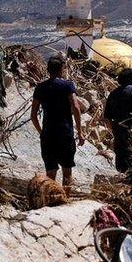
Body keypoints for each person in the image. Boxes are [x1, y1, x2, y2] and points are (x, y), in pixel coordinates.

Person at [31, 55, 85, 191]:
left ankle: (51, 199)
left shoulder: (40, 87)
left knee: (50, 171)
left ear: (48, 70)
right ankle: (65, 200)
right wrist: (80, 132)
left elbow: (33, 115)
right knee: (67, 171)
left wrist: (41, 132)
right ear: (61, 69)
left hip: (48, 134)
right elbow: (76, 108)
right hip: (65, 133)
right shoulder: (68, 85)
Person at [104, 68, 132, 172]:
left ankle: (122, 181)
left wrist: (114, 129)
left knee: (121, 158)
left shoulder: (113, 94)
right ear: (131, 79)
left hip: (120, 132)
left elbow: (107, 117)